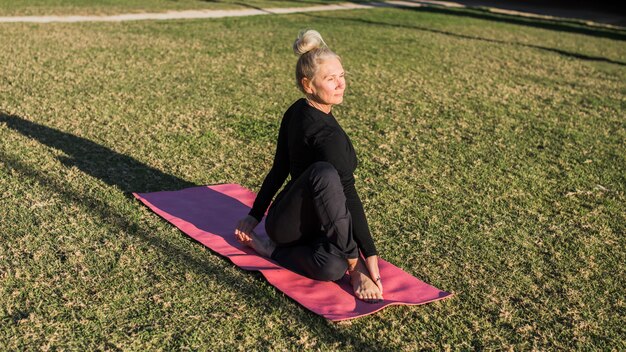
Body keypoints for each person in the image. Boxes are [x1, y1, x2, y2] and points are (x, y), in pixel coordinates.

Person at [234, 30, 383, 303]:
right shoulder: (306, 122)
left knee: (330, 267)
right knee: (324, 173)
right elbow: (280, 167)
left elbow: (344, 196)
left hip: (322, 222)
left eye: (342, 76)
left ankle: (271, 251)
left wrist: (369, 250)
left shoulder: (311, 113)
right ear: (308, 84)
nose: (340, 85)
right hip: (287, 223)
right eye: (330, 79)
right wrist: (361, 260)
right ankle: (351, 263)